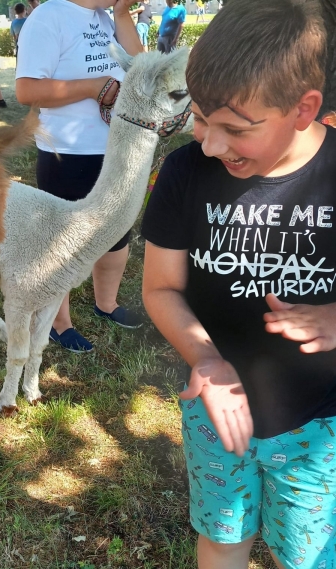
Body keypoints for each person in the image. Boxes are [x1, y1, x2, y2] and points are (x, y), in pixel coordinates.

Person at [140, 1, 336, 568]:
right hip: (213, 409)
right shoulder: (185, 174)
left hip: (318, 423)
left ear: (304, 109)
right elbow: (160, 289)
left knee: (307, 553)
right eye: (201, 118)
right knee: (223, 534)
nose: (210, 144)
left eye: (236, 129)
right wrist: (206, 358)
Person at [16, 0, 143, 352]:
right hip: (67, 154)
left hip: (116, 147)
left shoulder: (106, 17)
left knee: (116, 234)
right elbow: (27, 90)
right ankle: (59, 324)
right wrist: (91, 87)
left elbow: (140, 68)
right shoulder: (48, 17)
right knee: (62, 244)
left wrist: (120, 15)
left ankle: (107, 303)